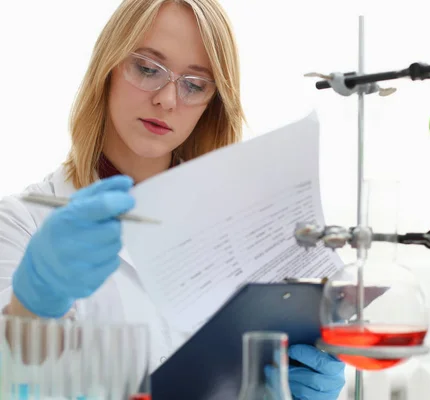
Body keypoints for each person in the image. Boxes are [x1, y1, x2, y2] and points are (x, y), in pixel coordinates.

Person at [0, 0, 345, 398]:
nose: (167, 99)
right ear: (107, 69)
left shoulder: (243, 228)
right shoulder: (21, 221)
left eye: (194, 84)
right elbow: (12, 381)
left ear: (212, 105)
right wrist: (34, 307)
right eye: (147, 68)